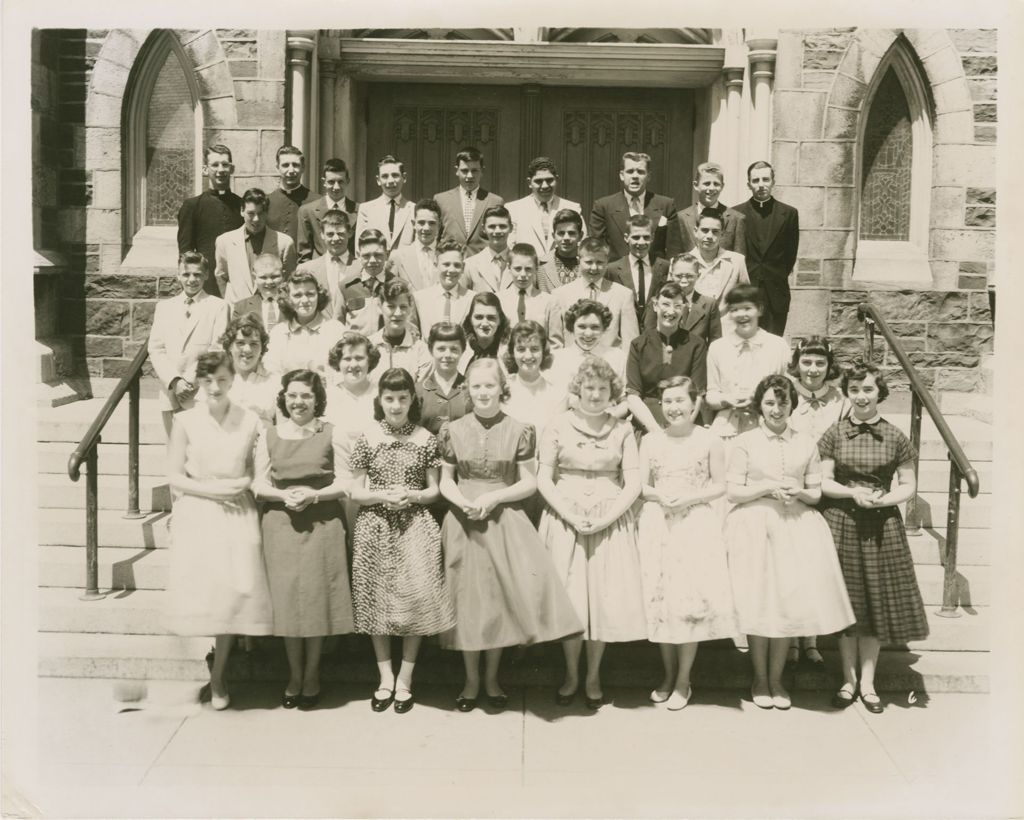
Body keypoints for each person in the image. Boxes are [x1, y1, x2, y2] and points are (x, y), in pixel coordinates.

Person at [438, 359, 583, 712]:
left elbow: (529, 481)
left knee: (498, 604)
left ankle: (492, 678)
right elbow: (446, 480)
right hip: (464, 520)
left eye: (489, 386)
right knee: (469, 603)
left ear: (501, 388)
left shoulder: (520, 429)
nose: (482, 393)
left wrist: (493, 497)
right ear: (468, 391)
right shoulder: (452, 429)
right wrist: (462, 501)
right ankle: (471, 680)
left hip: (503, 519)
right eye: (475, 387)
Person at [724, 374, 854, 710]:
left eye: (783, 402)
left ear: (791, 405)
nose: (776, 409)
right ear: (759, 406)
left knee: (785, 602)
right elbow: (734, 490)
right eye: (769, 402)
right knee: (758, 602)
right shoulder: (745, 442)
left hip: (795, 526)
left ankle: (777, 680)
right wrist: (766, 488)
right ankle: (759, 678)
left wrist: (800, 492)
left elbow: (815, 491)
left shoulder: (805, 442)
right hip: (754, 525)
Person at [164, 351, 273, 710]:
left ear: (232, 379)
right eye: (208, 380)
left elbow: (259, 474)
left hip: (238, 511)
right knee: (209, 593)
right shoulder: (185, 420)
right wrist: (215, 490)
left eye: (223, 379)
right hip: (200, 510)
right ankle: (215, 662)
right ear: (197, 381)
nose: (215, 386)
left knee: (233, 595)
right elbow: (175, 476)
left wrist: (240, 485)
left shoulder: (249, 420)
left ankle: (219, 674)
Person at [538, 356, 647, 709]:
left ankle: (593, 674)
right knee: (571, 598)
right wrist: (567, 513)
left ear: (612, 393)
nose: (596, 395)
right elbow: (543, 476)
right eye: (589, 388)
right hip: (565, 516)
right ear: (577, 390)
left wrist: (609, 517)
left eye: (603, 389)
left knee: (601, 599)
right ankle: (571, 673)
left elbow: (633, 482)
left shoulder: (622, 430)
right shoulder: (556, 425)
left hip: (608, 516)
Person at [818, 362, 928, 714]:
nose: (861, 396)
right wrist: (852, 495)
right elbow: (823, 481)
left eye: (868, 389)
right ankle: (847, 680)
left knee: (874, 602)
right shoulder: (834, 433)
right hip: (842, 521)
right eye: (854, 390)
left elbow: (909, 486)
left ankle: (868, 683)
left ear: (879, 393)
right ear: (847, 393)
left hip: (881, 526)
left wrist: (883, 498)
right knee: (848, 602)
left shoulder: (895, 436)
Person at [349, 368, 456, 714]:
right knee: (375, 599)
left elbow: (435, 489)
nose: (396, 405)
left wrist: (411, 496)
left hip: (415, 525)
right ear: (380, 401)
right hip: (375, 525)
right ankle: (384, 678)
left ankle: (405, 679)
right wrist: (382, 496)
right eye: (389, 399)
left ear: (413, 399)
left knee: (418, 599)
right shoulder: (367, 438)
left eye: (403, 398)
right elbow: (355, 490)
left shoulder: (426, 438)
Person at [252, 370, 353, 710]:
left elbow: (346, 482)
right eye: (293, 395)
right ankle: (294, 674)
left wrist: (314, 495)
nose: (299, 402)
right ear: (283, 398)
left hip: (322, 521)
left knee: (315, 600)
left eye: (306, 396)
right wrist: (284, 498)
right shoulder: (270, 434)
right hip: (281, 523)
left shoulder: (330, 433)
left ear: (317, 399)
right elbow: (259, 484)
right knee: (288, 602)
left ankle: (312, 674)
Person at [638, 377, 738, 709]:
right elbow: (642, 487)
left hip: (695, 523)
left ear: (694, 403)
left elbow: (720, 485)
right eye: (667, 402)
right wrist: (661, 495)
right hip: (660, 523)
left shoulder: (709, 440)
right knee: (663, 601)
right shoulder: (651, 441)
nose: (674, 408)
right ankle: (667, 674)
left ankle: (684, 679)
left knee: (688, 600)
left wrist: (690, 497)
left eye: (680, 400)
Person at [785, 335, 851, 665]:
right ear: (797, 364)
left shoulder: (840, 400)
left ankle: (810, 640)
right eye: (807, 362)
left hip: (824, 487)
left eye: (820, 363)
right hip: (791, 487)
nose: (812, 369)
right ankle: (791, 640)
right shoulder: (784, 392)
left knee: (814, 565)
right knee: (790, 565)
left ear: (829, 366)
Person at [148, 251, 230, 436]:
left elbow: (217, 349)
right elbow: (156, 349)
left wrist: (190, 381)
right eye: (186, 274)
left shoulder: (218, 306)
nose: (191, 279)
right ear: (178, 275)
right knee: (175, 453)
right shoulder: (165, 307)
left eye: (197, 274)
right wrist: (175, 381)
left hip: (201, 391)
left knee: (201, 451)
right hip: (171, 392)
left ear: (206, 275)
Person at [705, 285, 790, 441]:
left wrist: (759, 399)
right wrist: (726, 399)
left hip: (767, 428)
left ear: (760, 310)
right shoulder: (717, 348)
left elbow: (788, 391)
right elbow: (711, 394)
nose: (741, 314)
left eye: (747, 308)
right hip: (727, 430)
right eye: (735, 310)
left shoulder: (778, 346)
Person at [625, 282, 708, 433]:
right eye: (666, 304)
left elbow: (697, 395)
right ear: (655, 305)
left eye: (677, 306)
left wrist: (680, 430)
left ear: (684, 308)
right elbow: (633, 396)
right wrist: (655, 431)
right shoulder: (638, 345)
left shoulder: (697, 344)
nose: (671, 311)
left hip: (686, 421)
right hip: (648, 423)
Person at [733, 161, 800, 335]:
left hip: (775, 292)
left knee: (773, 345)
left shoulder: (789, 214)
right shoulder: (735, 214)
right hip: (746, 290)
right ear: (749, 184)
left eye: (765, 179)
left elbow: (790, 255)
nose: (761, 185)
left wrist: (775, 275)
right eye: (756, 181)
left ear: (773, 181)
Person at [177, 144, 243, 297]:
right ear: (205, 170)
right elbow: (185, 253)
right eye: (215, 165)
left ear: (231, 169)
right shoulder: (192, 206)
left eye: (225, 165)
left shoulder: (241, 205)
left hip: (237, 283)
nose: (220, 170)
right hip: (206, 284)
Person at [552, 237, 639, 349]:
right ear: (579, 261)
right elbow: (556, 344)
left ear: (607, 262)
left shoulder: (623, 295)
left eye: (599, 262)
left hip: (610, 363)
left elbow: (630, 341)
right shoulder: (560, 295)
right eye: (589, 262)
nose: (594, 268)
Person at [590, 151, 676, 262]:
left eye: (640, 172)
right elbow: (597, 247)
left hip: (655, 274)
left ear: (648, 176)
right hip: (616, 274)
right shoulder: (603, 206)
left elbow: (674, 248)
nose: (635, 176)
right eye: (630, 171)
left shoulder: (666, 205)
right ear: (622, 175)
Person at [215, 188, 296, 303]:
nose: (256, 219)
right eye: (251, 213)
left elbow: (288, 280)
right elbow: (221, 276)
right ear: (242, 211)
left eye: (261, 213)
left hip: (272, 310)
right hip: (238, 311)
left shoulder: (284, 243)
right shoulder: (225, 241)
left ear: (267, 212)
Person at [264, 269, 346, 379]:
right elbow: (272, 371)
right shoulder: (278, 332)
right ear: (288, 299)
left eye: (310, 294)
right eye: (297, 295)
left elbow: (342, 372)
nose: (305, 300)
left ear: (319, 295)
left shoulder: (335, 330)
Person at [335, 228, 419, 336]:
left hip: (387, 348)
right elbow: (337, 326)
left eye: (378, 255)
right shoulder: (346, 286)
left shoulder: (401, 286)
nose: (372, 260)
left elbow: (412, 328)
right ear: (358, 254)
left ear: (387, 254)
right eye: (366, 256)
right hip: (356, 349)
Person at [506, 156, 585, 265]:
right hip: (527, 272)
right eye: (538, 181)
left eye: (549, 180)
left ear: (556, 179)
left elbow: (582, 245)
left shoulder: (572, 207)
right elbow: (509, 245)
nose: (545, 186)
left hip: (562, 272)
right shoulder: (514, 209)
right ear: (529, 182)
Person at [665, 161, 747, 258]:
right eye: (707, 183)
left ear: (722, 186)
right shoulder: (680, 218)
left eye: (716, 184)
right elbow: (674, 256)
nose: (711, 188)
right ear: (696, 185)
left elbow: (739, 260)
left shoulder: (736, 219)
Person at [548, 299, 627, 400]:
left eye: (595, 327)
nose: (588, 334)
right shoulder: (556, 359)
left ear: (604, 329)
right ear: (572, 328)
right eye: (582, 327)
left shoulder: (617, 357)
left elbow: (624, 400)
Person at [434, 147, 504, 255]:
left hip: (481, 265)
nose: (469, 176)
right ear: (457, 170)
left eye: (474, 170)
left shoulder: (495, 201)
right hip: (450, 264)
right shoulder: (441, 200)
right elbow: (435, 237)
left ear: (482, 171)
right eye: (465, 171)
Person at [643, 253, 723, 348]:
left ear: (698, 275)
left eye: (689, 276)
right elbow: (649, 336)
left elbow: (715, 343)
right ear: (671, 275)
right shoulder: (657, 302)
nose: (684, 281)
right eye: (679, 276)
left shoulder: (709, 304)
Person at [504, 320, 563, 444]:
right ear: (512, 352)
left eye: (534, 349)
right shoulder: (502, 389)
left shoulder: (557, 393)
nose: (528, 356)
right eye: (521, 349)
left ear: (544, 351)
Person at [605, 214, 669, 325]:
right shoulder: (612, 270)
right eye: (636, 237)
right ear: (626, 238)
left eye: (646, 237)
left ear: (652, 237)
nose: (641, 242)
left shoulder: (664, 267)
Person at [497, 242, 564, 347]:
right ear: (509, 268)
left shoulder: (550, 302)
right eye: (518, 269)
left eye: (528, 269)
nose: (523, 275)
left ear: (536, 268)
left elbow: (556, 345)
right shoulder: (499, 300)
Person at [296, 157, 359, 263]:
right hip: (319, 272)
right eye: (331, 182)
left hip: (350, 271)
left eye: (341, 182)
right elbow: (304, 253)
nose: (336, 187)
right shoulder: (307, 211)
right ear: (324, 182)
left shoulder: (360, 210)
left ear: (348, 181)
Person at [688, 212, 751, 314]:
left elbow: (747, 298)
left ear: (722, 234)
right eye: (704, 230)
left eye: (715, 232)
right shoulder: (680, 261)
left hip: (725, 325)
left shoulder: (737, 261)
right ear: (695, 231)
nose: (709, 236)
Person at [221, 312, 277, 426]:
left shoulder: (275, 381)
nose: (247, 349)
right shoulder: (216, 378)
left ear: (262, 347)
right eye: (240, 343)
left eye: (254, 344)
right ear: (230, 346)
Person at [369, 280, 432, 381]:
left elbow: (421, 392)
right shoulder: (368, 346)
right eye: (391, 306)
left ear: (410, 309)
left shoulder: (421, 351)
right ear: (380, 307)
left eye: (403, 307)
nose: (398, 313)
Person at [296, 210, 353, 320]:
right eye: (330, 234)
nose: (335, 239)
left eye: (340, 233)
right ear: (322, 235)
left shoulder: (361, 267)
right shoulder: (305, 269)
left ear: (349, 233)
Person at [417, 322, 472, 436]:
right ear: (431, 350)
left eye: (454, 349)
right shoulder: (418, 391)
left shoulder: (471, 390)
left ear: (462, 351)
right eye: (441, 349)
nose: (447, 355)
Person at [413, 238, 475, 336]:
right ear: (435, 265)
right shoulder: (419, 298)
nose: (451, 270)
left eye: (457, 265)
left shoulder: (472, 299)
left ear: (463, 268)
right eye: (446, 264)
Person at [355, 154, 416, 250]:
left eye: (395, 175)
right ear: (378, 180)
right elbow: (359, 248)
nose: (390, 181)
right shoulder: (366, 209)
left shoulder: (414, 209)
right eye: (385, 176)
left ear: (404, 177)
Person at [267, 145, 318, 246]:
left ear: (303, 167)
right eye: (285, 165)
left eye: (295, 165)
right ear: (277, 168)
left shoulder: (316, 201)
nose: (291, 170)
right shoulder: (267, 201)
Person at [389, 198, 443, 291]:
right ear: (413, 224)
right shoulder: (398, 256)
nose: (426, 228)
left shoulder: (447, 255)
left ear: (439, 225)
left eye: (432, 223)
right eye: (421, 223)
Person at [461, 205, 514, 293]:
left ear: (511, 228)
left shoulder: (521, 263)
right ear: (483, 229)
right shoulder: (469, 265)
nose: (497, 231)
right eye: (492, 227)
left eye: (503, 226)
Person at [232, 253, 285, 332]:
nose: (269, 282)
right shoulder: (241, 308)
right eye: (263, 277)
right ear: (254, 278)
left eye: (274, 276)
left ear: (283, 276)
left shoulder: (293, 304)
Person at [459, 291, 509, 373]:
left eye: (491, 318)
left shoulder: (508, 352)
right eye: (479, 317)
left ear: (500, 320)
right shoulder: (461, 351)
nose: (485, 323)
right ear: (470, 320)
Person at [537, 208, 585, 292]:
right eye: (561, 233)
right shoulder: (540, 265)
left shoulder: (590, 264)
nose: (566, 238)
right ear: (553, 236)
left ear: (580, 236)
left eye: (571, 233)